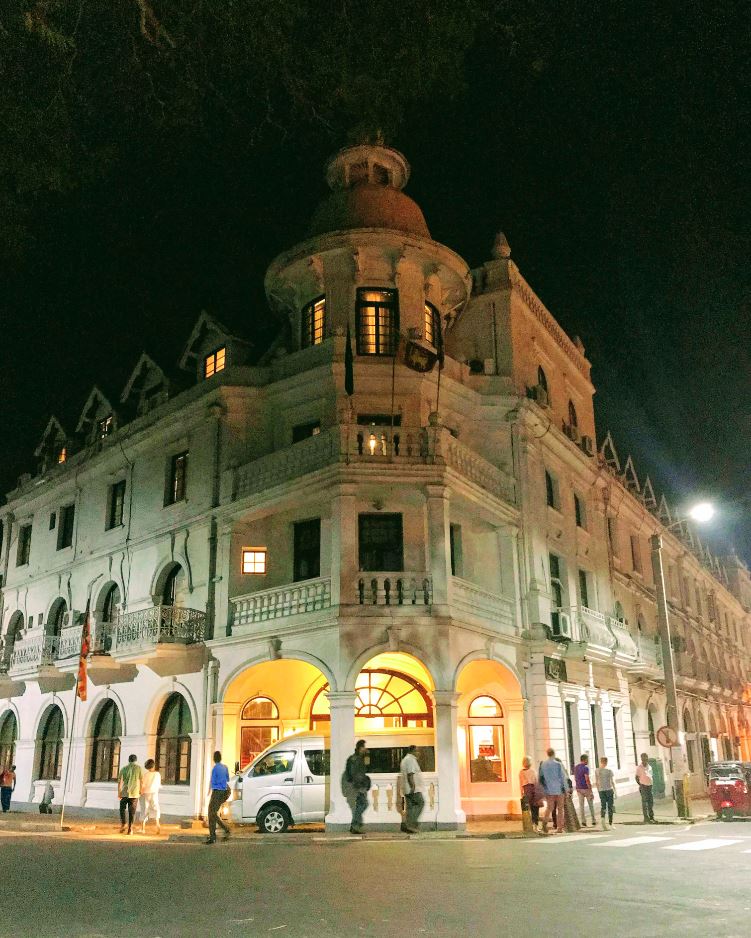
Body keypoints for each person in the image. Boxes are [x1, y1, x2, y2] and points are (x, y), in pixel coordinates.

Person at [539, 748, 567, 834]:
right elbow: (563, 777)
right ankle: (560, 827)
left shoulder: (543, 764)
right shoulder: (558, 764)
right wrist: (566, 789)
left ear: (547, 754)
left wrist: (543, 788)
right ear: (554, 754)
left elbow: (541, 777)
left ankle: (544, 823)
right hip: (558, 789)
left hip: (549, 790)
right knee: (560, 809)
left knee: (549, 808)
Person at [205, 750, 231, 844]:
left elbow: (212, 782)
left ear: (214, 759)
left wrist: (208, 792)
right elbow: (228, 779)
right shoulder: (225, 767)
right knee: (213, 812)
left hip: (217, 792)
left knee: (211, 813)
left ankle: (215, 835)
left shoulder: (215, 768)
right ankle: (219, 832)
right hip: (226, 791)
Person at [345, 739, 370, 835]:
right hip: (358, 786)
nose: (365, 749)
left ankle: (355, 825)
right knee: (363, 804)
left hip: (359, 785)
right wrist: (359, 786)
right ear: (360, 748)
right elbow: (354, 774)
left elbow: (365, 769)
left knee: (361, 805)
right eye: (364, 747)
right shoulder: (355, 759)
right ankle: (355, 825)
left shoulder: (359, 758)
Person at [399, 745, 425, 833]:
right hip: (413, 788)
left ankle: (407, 825)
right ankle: (411, 824)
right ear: (412, 751)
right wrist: (413, 786)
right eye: (417, 751)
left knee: (410, 807)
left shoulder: (405, 759)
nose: (418, 753)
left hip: (407, 788)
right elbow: (410, 774)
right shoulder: (410, 759)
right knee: (420, 803)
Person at [118, 754, 143, 835]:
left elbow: (120, 781)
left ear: (129, 760)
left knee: (122, 808)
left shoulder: (123, 769)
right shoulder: (139, 768)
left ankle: (123, 823)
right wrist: (140, 790)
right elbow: (141, 780)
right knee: (132, 812)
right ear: (135, 760)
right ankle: (130, 829)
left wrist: (119, 792)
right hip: (135, 793)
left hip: (125, 792)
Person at [139, 758, 161, 834]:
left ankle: (143, 828)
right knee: (155, 808)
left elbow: (143, 785)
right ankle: (157, 824)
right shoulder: (157, 774)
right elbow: (158, 785)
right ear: (153, 765)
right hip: (154, 793)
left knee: (144, 809)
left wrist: (141, 792)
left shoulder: (146, 775)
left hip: (146, 793)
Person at [519, 756, 541, 831]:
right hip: (533, 789)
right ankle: (536, 825)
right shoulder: (533, 771)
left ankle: (530, 824)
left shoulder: (521, 772)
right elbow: (536, 781)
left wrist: (521, 793)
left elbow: (521, 783)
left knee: (529, 808)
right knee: (536, 808)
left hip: (526, 790)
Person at [574, 754, 596, 827]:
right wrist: (591, 790)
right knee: (591, 805)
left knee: (581, 805)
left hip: (579, 789)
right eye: (587, 759)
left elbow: (575, 778)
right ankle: (593, 820)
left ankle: (583, 821)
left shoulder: (576, 767)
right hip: (586, 788)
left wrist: (577, 787)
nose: (588, 761)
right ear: (585, 759)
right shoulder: (585, 768)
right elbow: (587, 779)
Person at [596, 756, 616, 829]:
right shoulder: (609, 770)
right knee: (610, 807)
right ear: (606, 762)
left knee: (603, 806)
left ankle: (603, 821)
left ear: (600, 761)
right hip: (609, 790)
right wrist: (615, 791)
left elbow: (596, 782)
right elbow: (612, 781)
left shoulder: (597, 770)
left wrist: (598, 790)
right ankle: (611, 823)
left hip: (601, 790)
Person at [636, 753, 656, 823]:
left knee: (651, 802)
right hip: (643, 786)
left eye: (646, 758)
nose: (645, 759)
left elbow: (651, 776)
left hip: (650, 786)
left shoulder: (649, 767)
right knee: (645, 803)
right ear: (641, 759)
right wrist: (641, 784)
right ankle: (646, 818)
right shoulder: (639, 767)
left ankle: (651, 817)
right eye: (644, 758)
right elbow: (636, 777)